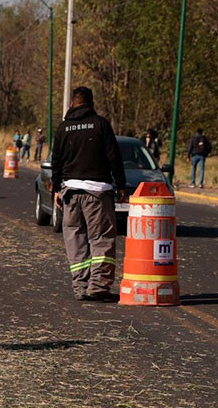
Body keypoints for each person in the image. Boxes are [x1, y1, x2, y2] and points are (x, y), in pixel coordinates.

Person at [52, 87, 126, 303]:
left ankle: (80, 286)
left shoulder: (63, 129)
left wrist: (57, 188)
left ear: (72, 104)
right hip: (97, 194)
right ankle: (98, 287)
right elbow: (114, 156)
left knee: (75, 241)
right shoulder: (101, 125)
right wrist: (120, 185)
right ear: (91, 103)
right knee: (101, 239)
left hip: (70, 194)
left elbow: (56, 161)